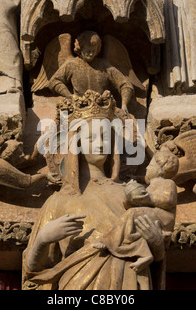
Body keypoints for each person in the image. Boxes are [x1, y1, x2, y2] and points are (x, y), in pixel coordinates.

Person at [23, 93, 167, 290]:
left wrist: (157, 245)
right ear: (77, 143)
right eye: (91, 137)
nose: (101, 143)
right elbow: (33, 273)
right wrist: (42, 239)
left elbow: (153, 257)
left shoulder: (130, 195)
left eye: (106, 137)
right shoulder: (58, 202)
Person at [92, 147, 178, 274]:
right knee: (133, 231)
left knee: (132, 214)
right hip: (151, 217)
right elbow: (143, 180)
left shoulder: (167, 183)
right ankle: (144, 253)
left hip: (162, 217)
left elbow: (168, 200)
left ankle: (109, 240)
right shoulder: (150, 184)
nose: (147, 167)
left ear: (161, 170)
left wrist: (148, 198)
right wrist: (132, 194)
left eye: (151, 164)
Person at [49, 31, 135, 114]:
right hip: (77, 108)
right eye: (88, 51)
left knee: (127, 124)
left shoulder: (104, 66)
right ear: (80, 48)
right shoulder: (72, 65)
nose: (91, 54)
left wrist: (124, 105)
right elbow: (54, 81)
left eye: (93, 51)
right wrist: (69, 95)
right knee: (61, 123)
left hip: (102, 109)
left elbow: (126, 85)